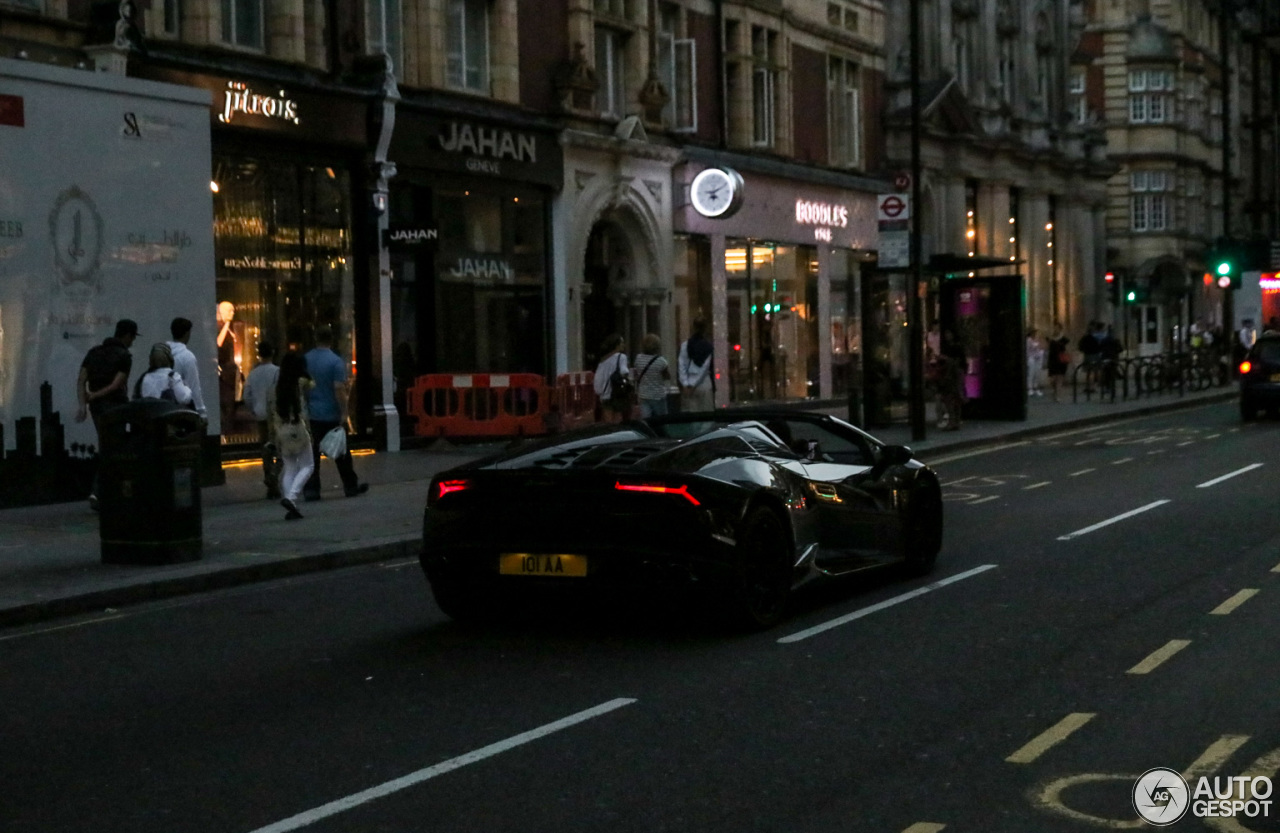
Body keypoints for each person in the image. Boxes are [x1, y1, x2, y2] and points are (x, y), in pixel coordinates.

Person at [76, 319, 139, 510]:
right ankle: (102, 491)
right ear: (127, 335)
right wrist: (95, 395)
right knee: (114, 448)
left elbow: (81, 380)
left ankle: (109, 491)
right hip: (117, 407)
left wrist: (84, 404)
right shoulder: (124, 356)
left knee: (109, 446)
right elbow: (116, 384)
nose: (132, 342)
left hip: (97, 409)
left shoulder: (93, 352)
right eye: (133, 338)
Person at [302, 325, 368, 500]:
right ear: (331, 340)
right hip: (331, 413)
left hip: (312, 414)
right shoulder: (336, 361)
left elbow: (303, 387)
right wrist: (344, 412)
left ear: (316, 338)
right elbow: (339, 388)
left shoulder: (306, 359)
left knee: (312, 454)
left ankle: (312, 489)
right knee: (342, 452)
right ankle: (350, 486)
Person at [269, 352, 315, 520]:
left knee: (289, 468)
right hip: (298, 428)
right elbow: (312, 383)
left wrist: (274, 436)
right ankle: (291, 497)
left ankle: (291, 505)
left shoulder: (275, 388)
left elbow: (272, 413)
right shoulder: (300, 384)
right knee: (308, 465)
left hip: (282, 430)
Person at [241, 340, 282, 499]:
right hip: (276, 415)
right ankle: (275, 475)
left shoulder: (253, 373)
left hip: (260, 414)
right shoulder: (277, 372)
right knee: (280, 447)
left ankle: (268, 475)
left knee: (265, 447)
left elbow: (247, 396)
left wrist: (253, 409)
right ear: (272, 353)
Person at [166, 317, 207, 419]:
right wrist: (201, 411)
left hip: (164, 406)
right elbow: (194, 386)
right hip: (183, 408)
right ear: (187, 333)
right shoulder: (187, 357)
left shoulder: (163, 353)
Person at [592, 333, 631, 424]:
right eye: (622, 343)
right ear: (616, 345)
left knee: (608, 421)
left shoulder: (603, 359)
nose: (623, 345)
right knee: (618, 419)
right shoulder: (621, 357)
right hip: (616, 393)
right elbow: (624, 372)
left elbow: (598, 377)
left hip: (605, 394)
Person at [678, 318, 714, 412]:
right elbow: (704, 368)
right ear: (705, 329)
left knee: (691, 415)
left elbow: (682, 365)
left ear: (693, 328)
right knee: (706, 416)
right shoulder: (708, 347)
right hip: (704, 384)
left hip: (688, 382)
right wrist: (694, 384)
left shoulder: (685, 345)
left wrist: (685, 384)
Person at [632, 333, 671, 419]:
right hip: (658, 395)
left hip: (643, 394)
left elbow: (635, 376)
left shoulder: (638, 359)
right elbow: (667, 377)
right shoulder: (661, 361)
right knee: (662, 420)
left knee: (646, 420)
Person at [216, 301, 240, 432]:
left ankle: (229, 427)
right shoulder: (219, 326)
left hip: (230, 369)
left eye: (233, 310)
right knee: (226, 400)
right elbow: (218, 343)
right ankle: (226, 429)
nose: (232, 313)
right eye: (229, 310)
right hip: (223, 369)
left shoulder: (228, 328)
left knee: (231, 400)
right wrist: (226, 325)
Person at [936, 331, 966, 430]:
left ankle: (954, 421)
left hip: (954, 374)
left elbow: (955, 362)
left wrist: (946, 359)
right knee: (954, 398)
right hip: (953, 373)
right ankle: (955, 421)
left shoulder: (955, 347)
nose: (947, 335)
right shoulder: (950, 347)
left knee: (952, 397)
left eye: (949, 333)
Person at [1047, 322, 1071, 402]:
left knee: (1060, 378)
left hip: (1061, 360)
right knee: (1052, 379)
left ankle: (1058, 395)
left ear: (1060, 329)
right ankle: (1055, 391)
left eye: (1057, 328)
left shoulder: (1064, 339)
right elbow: (1047, 348)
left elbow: (1067, 349)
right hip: (1052, 359)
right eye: (1055, 327)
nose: (1055, 329)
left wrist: (1069, 358)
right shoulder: (1050, 338)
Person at [1025, 327, 1045, 398]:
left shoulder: (1038, 340)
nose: (1036, 334)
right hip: (1031, 359)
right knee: (1031, 374)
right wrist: (1027, 359)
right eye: (1035, 333)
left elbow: (1042, 348)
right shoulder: (1029, 340)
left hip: (1038, 358)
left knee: (1037, 374)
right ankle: (1030, 388)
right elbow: (1027, 350)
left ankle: (1036, 388)